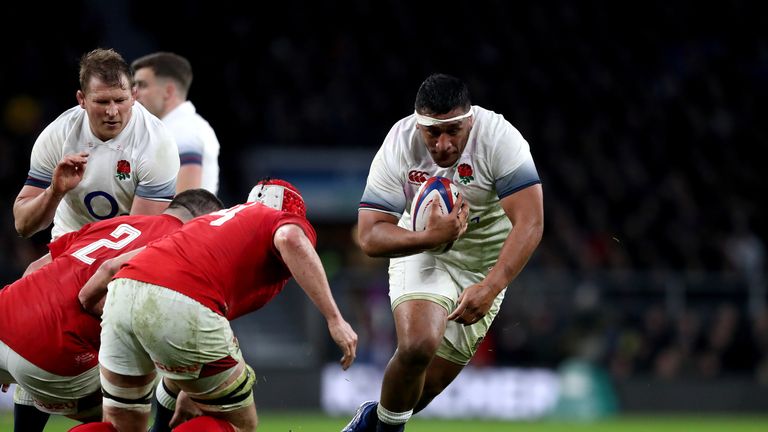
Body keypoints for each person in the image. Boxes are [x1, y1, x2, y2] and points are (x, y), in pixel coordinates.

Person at [343, 73, 544, 432]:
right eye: (433, 132)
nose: (444, 144)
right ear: (418, 123)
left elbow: (530, 222)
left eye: (454, 130)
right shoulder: (400, 142)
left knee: (427, 386)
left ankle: (370, 421)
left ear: (470, 119)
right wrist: (431, 237)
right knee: (419, 344)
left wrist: (491, 286)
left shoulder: (499, 139)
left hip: (483, 267)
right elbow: (370, 235)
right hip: (423, 251)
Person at [76, 179, 358, 432]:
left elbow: (114, 265)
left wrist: (87, 301)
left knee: (120, 425)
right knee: (240, 422)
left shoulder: (210, 224)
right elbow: (289, 238)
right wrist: (335, 319)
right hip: (180, 301)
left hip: (123, 291)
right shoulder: (279, 222)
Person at [0, 189, 224, 432]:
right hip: (53, 351)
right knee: (126, 418)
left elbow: (34, 268)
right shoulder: (179, 248)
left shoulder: (116, 222)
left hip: (6, 311)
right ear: (203, 223)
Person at [13, 47, 180, 241]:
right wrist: (54, 192)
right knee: (32, 271)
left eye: (120, 100)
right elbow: (23, 225)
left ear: (134, 95)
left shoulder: (156, 144)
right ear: (81, 99)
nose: (112, 111)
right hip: (72, 240)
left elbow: (139, 238)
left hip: (124, 248)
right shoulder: (59, 135)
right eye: (102, 102)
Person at [132, 51, 221, 194]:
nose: (134, 94)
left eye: (142, 85)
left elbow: (185, 204)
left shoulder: (184, 130)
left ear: (168, 91)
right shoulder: (179, 127)